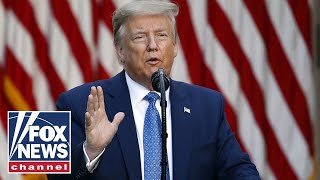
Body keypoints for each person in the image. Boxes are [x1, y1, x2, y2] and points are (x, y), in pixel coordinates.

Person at [48, 0, 260, 179]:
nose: (152, 45)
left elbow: (239, 170)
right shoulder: (77, 103)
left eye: (161, 35)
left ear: (175, 47)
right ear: (120, 51)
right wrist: (90, 151)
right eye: (140, 37)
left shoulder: (207, 106)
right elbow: (51, 175)